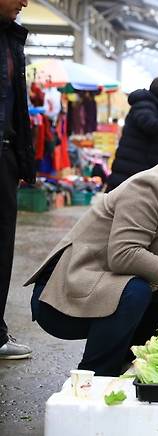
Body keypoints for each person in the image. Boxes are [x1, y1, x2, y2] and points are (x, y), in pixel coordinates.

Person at [25, 129, 158, 376]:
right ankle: (96, 377)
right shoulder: (150, 186)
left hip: (104, 287)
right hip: (61, 295)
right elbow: (124, 254)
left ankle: (126, 367)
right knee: (137, 291)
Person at [0, 0, 32, 360]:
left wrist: (22, 161)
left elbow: (17, 107)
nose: (25, 2)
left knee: (3, 248)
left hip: (5, 157)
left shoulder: (12, 39)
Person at [106, 78, 158, 191]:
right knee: (121, 196)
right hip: (133, 162)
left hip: (137, 161)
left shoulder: (152, 105)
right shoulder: (145, 104)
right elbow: (149, 124)